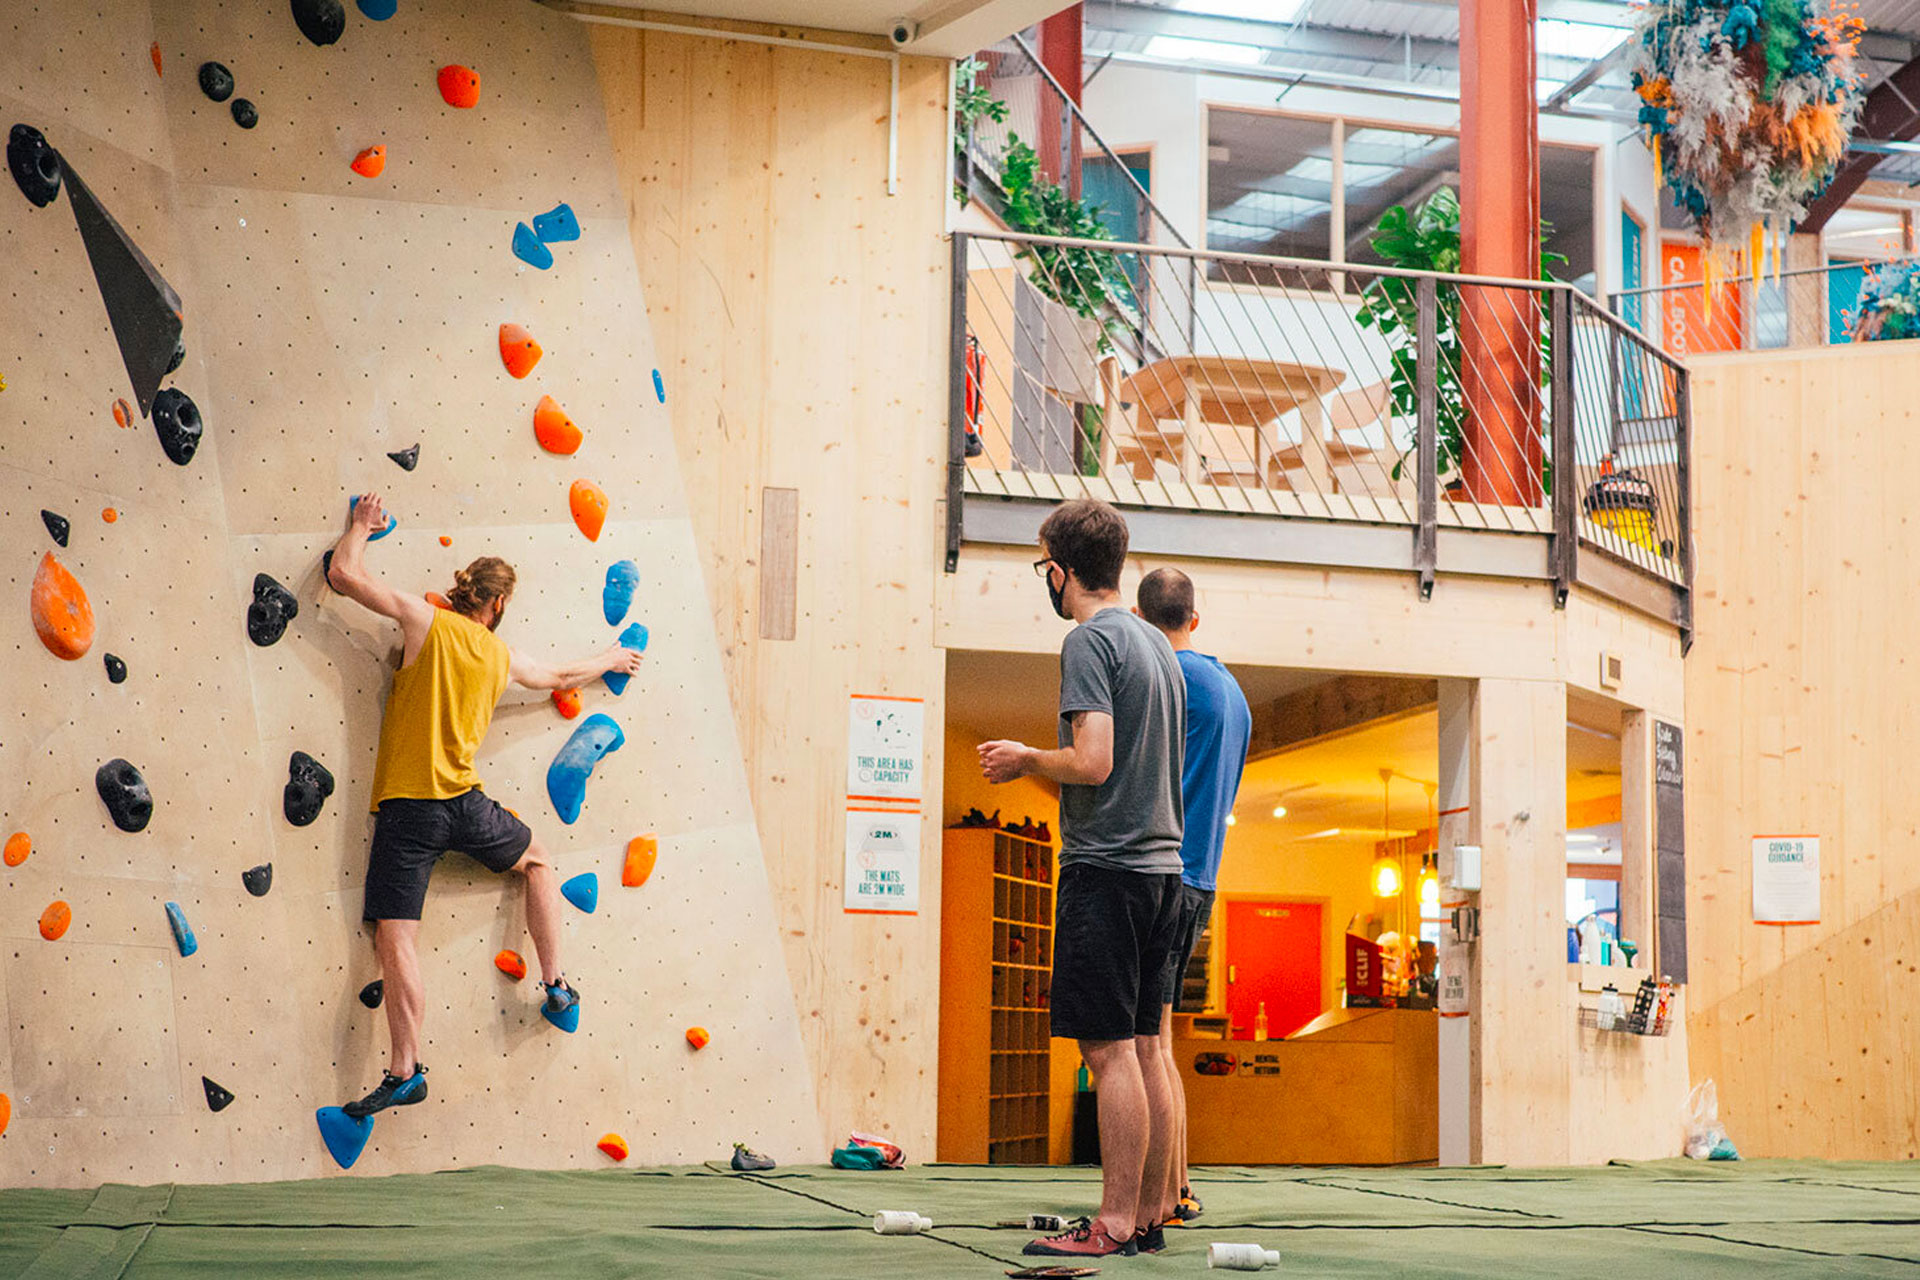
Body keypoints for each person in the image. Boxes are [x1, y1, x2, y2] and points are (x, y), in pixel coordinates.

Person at [324, 493, 644, 1118]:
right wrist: (609, 659)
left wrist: (360, 527)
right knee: (540, 862)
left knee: (397, 938)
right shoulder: (501, 655)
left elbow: (344, 577)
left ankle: (405, 1070)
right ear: (496, 605)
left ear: (466, 591)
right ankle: (555, 985)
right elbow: (556, 677)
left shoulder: (423, 620)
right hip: (464, 805)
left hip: (408, 812)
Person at [978, 499, 1186, 1259]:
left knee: (1107, 1054)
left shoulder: (1090, 641)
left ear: (1059, 570)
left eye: (1045, 568)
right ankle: (1153, 1213)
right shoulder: (1158, 645)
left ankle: (1113, 1223)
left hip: (1108, 871)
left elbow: (1092, 760)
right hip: (1166, 875)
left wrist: (1026, 759)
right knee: (1142, 1046)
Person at [1134, 567, 1251, 1231]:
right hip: (1201, 873)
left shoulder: (1167, 682)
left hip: (1164, 872)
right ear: (1194, 619)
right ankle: (1177, 1186)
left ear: (1146, 624)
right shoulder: (1233, 692)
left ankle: (1165, 1194)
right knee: (1162, 1041)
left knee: (1146, 1044)